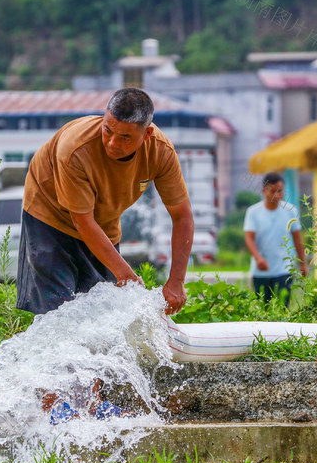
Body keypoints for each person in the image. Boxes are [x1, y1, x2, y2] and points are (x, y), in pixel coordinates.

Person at [17, 87, 194, 316]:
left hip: (102, 223)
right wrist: (126, 275)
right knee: (59, 311)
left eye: (125, 137)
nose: (112, 143)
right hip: (50, 215)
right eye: (107, 130)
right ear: (104, 118)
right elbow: (82, 221)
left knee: (103, 311)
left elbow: (182, 216)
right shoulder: (75, 149)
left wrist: (176, 282)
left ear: (147, 135)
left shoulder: (161, 153)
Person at [244, 172, 308, 305]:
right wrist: (258, 258)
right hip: (261, 272)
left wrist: (302, 263)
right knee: (263, 310)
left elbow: (297, 239)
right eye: (273, 191)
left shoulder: (291, 211)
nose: (277, 195)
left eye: (280, 191)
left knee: (284, 309)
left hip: (284, 270)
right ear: (264, 191)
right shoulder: (253, 212)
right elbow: (249, 238)